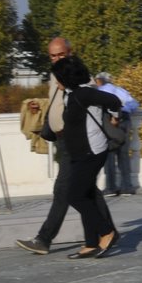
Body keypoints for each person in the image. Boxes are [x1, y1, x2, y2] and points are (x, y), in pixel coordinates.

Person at [15, 38, 116, 256]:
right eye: (52, 56)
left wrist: (115, 116)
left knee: (67, 190)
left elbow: (102, 100)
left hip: (79, 143)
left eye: (60, 55)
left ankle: (46, 238)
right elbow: (58, 102)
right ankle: (98, 236)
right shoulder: (56, 75)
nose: (56, 59)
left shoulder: (80, 77)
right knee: (86, 191)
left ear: (70, 52)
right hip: (66, 141)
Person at [49, 54, 126, 258]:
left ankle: (106, 231)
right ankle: (91, 243)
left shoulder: (84, 94)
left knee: (74, 195)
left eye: (58, 77)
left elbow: (114, 100)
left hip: (91, 152)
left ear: (65, 78)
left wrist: (115, 118)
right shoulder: (69, 94)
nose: (56, 81)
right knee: (86, 195)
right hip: (78, 154)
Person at [93, 72, 139, 196]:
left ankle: (111, 187)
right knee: (123, 154)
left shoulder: (100, 91)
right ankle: (126, 187)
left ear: (98, 81)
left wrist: (113, 115)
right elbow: (134, 105)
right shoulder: (120, 90)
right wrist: (122, 110)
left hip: (109, 121)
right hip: (124, 120)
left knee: (109, 154)